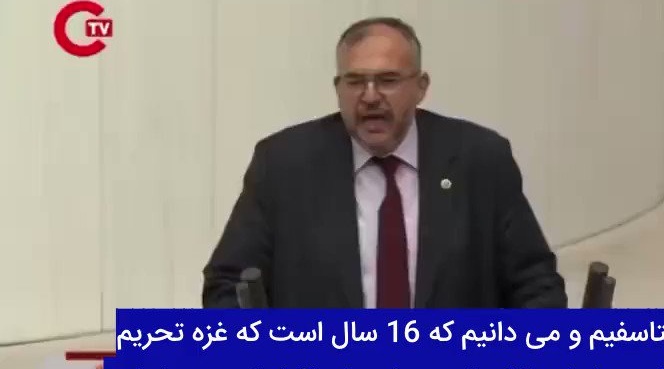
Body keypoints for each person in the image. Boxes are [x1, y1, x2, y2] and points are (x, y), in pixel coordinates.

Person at [202, 17, 567, 309]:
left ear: (421, 86)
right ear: (337, 88)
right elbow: (229, 285)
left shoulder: (480, 158)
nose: (370, 97)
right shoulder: (284, 164)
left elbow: (534, 283)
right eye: (355, 82)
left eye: (388, 80)